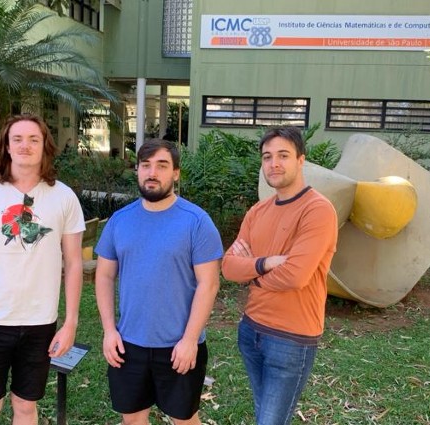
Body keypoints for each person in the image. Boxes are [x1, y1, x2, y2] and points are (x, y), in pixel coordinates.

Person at [0, 114, 85, 425]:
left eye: (33, 139)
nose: (25, 146)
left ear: (45, 147)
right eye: (18, 139)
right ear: (7, 147)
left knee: (26, 407)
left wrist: (70, 323)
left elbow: (75, 262)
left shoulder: (64, 196)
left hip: (41, 323)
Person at [95, 139, 223, 425]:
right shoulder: (119, 221)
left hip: (179, 346)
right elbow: (104, 275)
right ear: (138, 171)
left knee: (184, 419)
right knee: (132, 419)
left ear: (176, 173)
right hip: (128, 344)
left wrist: (190, 340)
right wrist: (108, 331)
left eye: (162, 166)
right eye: (145, 165)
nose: (152, 173)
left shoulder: (197, 222)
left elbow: (209, 284)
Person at [221, 126, 338, 425]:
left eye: (283, 155)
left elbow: (294, 277)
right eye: (267, 156)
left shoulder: (318, 210)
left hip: (291, 339)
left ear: (301, 160)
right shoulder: (257, 212)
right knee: (265, 411)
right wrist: (265, 263)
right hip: (251, 330)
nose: (274, 163)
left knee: (271, 420)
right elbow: (228, 266)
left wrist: (250, 273)